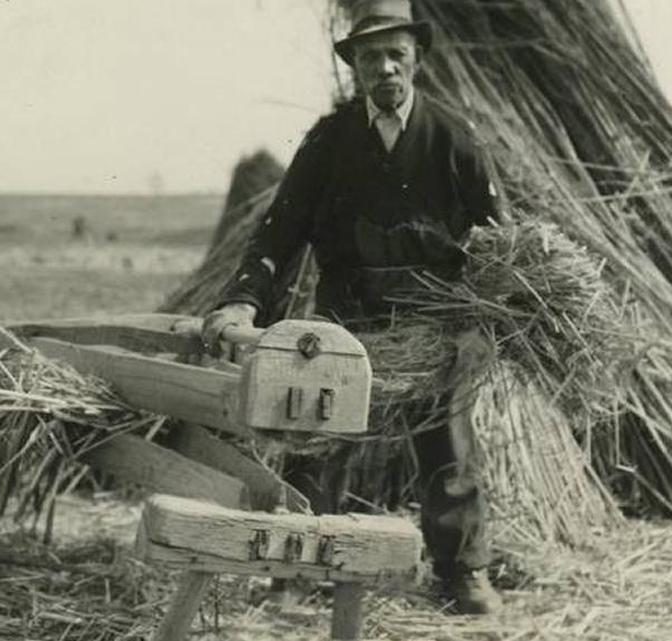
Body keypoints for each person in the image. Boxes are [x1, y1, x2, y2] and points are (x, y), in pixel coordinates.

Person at [202, 0, 503, 615]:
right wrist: (242, 300)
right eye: (371, 57)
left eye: (396, 54)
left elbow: (500, 240)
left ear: (416, 58)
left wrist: (491, 315)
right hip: (349, 319)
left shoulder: (455, 138)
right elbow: (280, 231)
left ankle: (461, 572)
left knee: (448, 451)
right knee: (315, 437)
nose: (385, 68)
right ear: (356, 69)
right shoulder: (329, 141)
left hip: (434, 322)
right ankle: (294, 567)